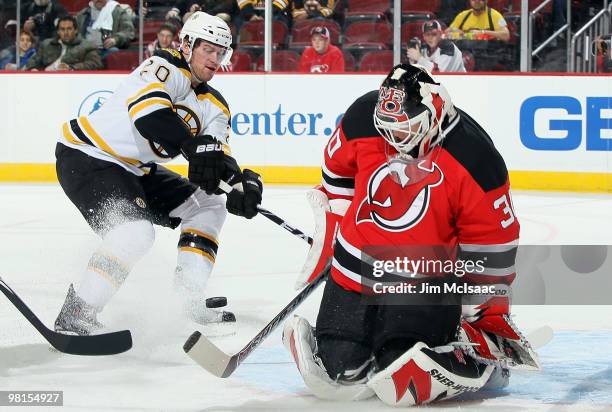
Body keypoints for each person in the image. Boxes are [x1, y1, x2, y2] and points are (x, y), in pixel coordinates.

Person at [282, 64, 540, 406]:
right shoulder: (361, 116)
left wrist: (482, 309)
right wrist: (334, 231)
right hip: (352, 274)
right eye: (387, 130)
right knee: (339, 368)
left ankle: (471, 353)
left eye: (406, 131)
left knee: (399, 358)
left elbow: (494, 242)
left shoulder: (475, 157)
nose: (394, 140)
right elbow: (336, 174)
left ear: (434, 116)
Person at [53, 11, 263, 335]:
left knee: (210, 204)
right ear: (188, 45)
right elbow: (149, 117)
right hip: (88, 156)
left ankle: (187, 300)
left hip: (135, 170)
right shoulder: (162, 67)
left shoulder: (215, 105)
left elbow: (218, 156)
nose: (214, 59)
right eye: (208, 49)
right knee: (134, 233)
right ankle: (78, 311)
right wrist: (191, 145)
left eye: (221, 53)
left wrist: (240, 185)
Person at [25, 15, 103, 71]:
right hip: (46, 79)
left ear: (76, 30)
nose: (66, 32)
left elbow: (96, 64)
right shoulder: (46, 44)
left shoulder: (87, 46)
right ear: (58, 32)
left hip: (71, 81)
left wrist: (72, 68)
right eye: (62, 29)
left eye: (69, 29)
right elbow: (32, 61)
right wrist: (33, 69)